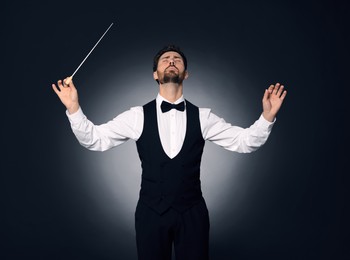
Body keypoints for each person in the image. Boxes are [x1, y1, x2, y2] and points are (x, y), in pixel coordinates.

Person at [52, 45, 287, 260]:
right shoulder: (137, 115)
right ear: (155, 74)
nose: (172, 61)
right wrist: (74, 108)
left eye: (177, 59)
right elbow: (95, 139)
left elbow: (243, 141)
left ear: (186, 74)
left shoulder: (203, 116)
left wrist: (267, 117)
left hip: (193, 213)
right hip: (150, 213)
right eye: (165, 59)